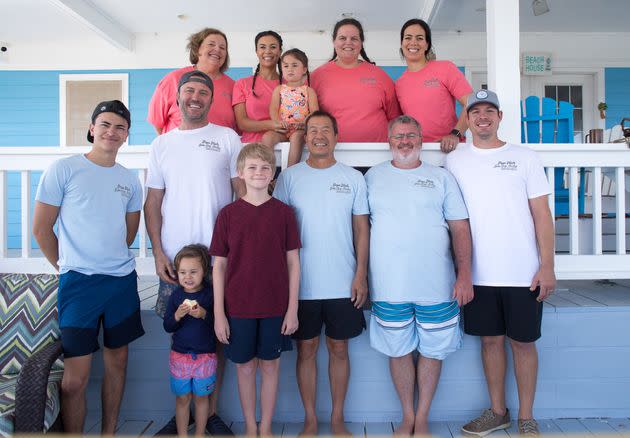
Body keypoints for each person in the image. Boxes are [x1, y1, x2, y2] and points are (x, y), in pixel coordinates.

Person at [445, 90, 556, 436]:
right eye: (474, 111)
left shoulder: (524, 157)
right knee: (490, 342)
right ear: (466, 119)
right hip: (478, 273)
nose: (482, 117)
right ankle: (498, 411)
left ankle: (526, 416)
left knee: (523, 343)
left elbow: (542, 215)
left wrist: (547, 265)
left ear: (499, 117)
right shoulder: (455, 160)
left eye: (489, 111)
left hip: (523, 272)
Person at [32, 100, 144, 434]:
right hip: (78, 284)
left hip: (121, 282)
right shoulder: (64, 169)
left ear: (127, 136)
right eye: (105, 124)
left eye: (120, 127)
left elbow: (129, 232)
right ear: (92, 128)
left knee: (118, 362)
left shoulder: (130, 180)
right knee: (74, 381)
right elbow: (41, 229)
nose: (112, 132)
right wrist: (66, 266)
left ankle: (108, 432)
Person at [145, 70, 242, 436]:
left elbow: (241, 193)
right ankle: (182, 415)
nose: (195, 97)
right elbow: (153, 201)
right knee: (180, 333)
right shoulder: (162, 145)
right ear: (178, 97)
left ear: (211, 98)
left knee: (218, 334)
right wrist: (157, 251)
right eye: (189, 91)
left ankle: (210, 413)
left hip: (218, 260)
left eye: (203, 91)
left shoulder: (226, 138)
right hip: (176, 262)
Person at [365, 115, 473, 435]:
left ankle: (423, 417)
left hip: (437, 283)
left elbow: (460, 228)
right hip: (388, 284)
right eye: (399, 136)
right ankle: (407, 416)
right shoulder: (372, 177)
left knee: (433, 349)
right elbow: (359, 228)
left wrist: (464, 273)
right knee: (397, 349)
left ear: (422, 139)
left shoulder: (441, 177)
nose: (405, 141)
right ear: (389, 141)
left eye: (411, 135)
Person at [273, 110, 369, 435]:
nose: (318, 135)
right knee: (307, 349)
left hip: (343, 281)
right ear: (306, 137)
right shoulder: (289, 178)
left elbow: (362, 231)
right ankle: (311, 419)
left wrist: (361, 274)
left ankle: (338, 418)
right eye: (312, 130)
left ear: (336, 136)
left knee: (339, 349)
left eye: (325, 130)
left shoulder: (353, 178)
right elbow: (278, 232)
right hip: (301, 285)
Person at [210, 143, 301, 436]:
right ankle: (250, 426)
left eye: (265, 167)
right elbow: (219, 267)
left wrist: (292, 309)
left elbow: (293, 263)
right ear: (241, 173)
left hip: (275, 307)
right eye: (252, 167)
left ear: (273, 173)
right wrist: (219, 314)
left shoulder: (284, 213)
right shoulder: (228, 215)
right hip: (238, 308)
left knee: (270, 367)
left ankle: (266, 427)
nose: (259, 172)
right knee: (245, 367)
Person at [311, 18, 401, 142]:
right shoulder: (316, 76)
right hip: (332, 154)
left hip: (377, 153)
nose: (348, 42)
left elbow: (395, 118)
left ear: (361, 42)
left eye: (354, 38)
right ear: (334, 41)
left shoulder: (380, 75)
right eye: (342, 38)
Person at [395, 19, 472, 153]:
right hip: (417, 153)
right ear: (402, 44)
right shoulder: (399, 84)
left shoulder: (445, 68)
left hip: (449, 150)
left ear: (427, 44)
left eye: (419, 38)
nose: (413, 42)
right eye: (408, 38)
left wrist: (456, 134)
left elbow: (471, 102)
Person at [163, 245, 217, 438]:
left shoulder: (210, 295)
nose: (188, 277)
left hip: (205, 357)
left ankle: (200, 434)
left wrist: (203, 314)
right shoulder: (176, 296)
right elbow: (168, 326)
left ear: (204, 271)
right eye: (183, 272)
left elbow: (218, 323)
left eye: (193, 272)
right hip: (180, 357)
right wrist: (177, 315)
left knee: (202, 398)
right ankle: (183, 434)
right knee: (182, 398)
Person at [148, 28, 237, 134]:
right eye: (211, 44)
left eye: (223, 47)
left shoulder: (233, 86)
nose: (217, 49)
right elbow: (157, 123)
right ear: (198, 49)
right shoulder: (173, 79)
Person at [233, 31, 287, 144]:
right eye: (262, 47)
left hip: (284, 149)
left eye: (273, 47)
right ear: (257, 51)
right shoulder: (242, 84)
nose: (267, 51)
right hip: (251, 149)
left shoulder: (290, 85)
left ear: (280, 51)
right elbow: (242, 123)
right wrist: (271, 125)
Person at [268, 48, 319, 167]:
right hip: (283, 129)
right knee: (267, 137)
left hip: (300, 129)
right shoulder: (279, 89)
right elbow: (273, 109)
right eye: (285, 66)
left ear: (304, 69)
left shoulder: (309, 91)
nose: (290, 69)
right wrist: (278, 123)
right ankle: (269, 172)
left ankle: (289, 173)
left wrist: (304, 123)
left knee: (296, 137)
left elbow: (315, 112)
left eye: (294, 65)